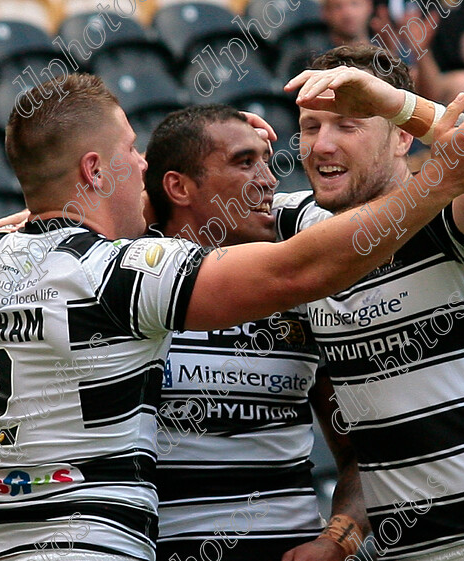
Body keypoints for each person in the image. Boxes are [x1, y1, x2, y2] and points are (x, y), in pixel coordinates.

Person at [0, 70, 464, 561]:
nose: (143, 162)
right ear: (98, 171)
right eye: (132, 150)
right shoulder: (125, 275)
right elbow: (294, 271)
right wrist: (437, 182)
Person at [275, 45, 464, 560]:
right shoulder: (303, 224)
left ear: (401, 136)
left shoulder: (451, 219)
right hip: (401, 550)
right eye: (311, 125)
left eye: (348, 125)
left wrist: (397, 101)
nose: (321, 145)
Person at [143, 105, 349, 561]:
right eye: (243, 162)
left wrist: (337, 541)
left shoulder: (304, 290)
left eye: (267, 161)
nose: (269, 181)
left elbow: (358, 453)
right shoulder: (122, 282)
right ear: (178, 186)